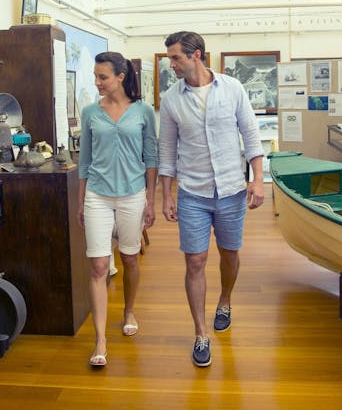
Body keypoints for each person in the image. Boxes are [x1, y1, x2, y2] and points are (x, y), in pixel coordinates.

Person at [158, 31, 264, 367]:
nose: (171, 64)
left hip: (232, 190)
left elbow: (250, 134)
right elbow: (167, 151)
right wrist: (166, 195)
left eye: (175, 57)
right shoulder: (172, 99)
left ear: (196, 55)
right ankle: (201, 334)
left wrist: (258, 180)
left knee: (229, 255)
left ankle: (226, 300)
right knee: (195, 262)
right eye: (170, 58)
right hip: (192, 192)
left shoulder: (232, 89)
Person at [78, 51, 158, 367]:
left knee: (129, 258)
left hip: (133, 195)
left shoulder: (143, 111)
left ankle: (128, 311)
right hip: (97, 194)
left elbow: (151, 157)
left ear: (120, 77)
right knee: (98, 267)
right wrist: (81, 201)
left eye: (102, 77)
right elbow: (84, 160)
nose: (97, 82)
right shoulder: (90, 113)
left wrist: (151, 200)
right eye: (96, 76)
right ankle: (100, 340)